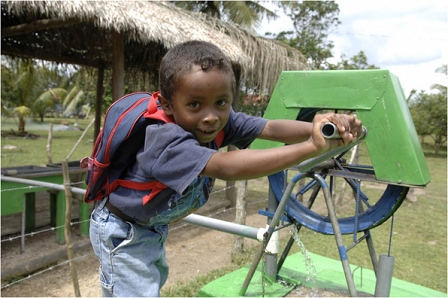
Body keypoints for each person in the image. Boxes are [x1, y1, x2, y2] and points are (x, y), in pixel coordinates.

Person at [89, 40, 362, 297]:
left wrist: (323, 131)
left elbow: (269, 127)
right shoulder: (164, 141)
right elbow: (225, 166)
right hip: (123, 232)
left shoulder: (220, 119)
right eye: (194, 104)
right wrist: (311, 147)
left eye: (221, 102)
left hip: (149, 228)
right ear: (167, 105)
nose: (211, 116)